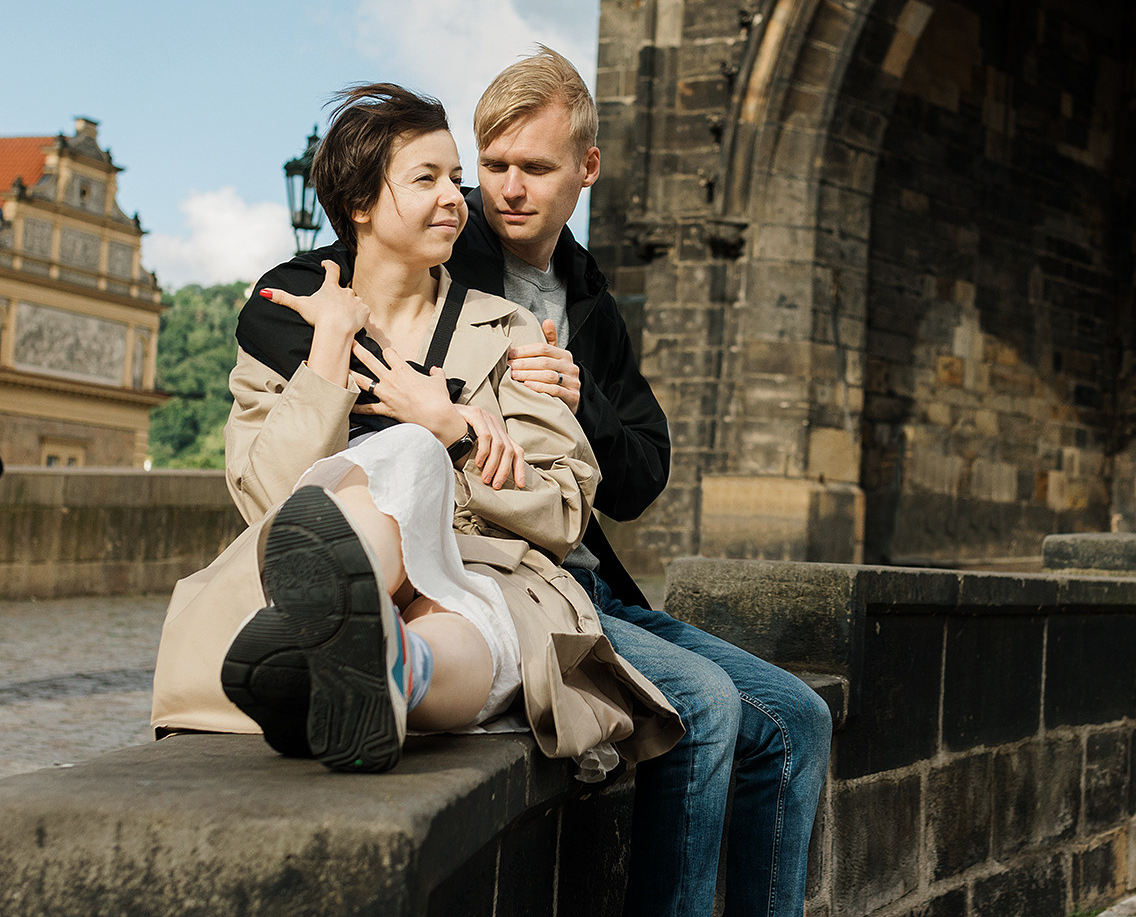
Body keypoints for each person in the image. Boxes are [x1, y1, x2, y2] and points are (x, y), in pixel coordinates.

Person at [149, 83, 681, 777]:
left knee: (472, 602)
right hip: (316, 564)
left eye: (456, 180)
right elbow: (266, 504)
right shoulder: (295, 330)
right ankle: (367, 642)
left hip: (478, 568)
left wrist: (451, 434)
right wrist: (326, 362)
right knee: (398, 463)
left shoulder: (513, 328)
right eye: (426, 179)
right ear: (362, 205)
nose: (457, 199)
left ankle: (368, 662)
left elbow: (564, 511)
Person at [450, 47, 831, 917]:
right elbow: (287, 300)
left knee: (798, 719)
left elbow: (642, 474)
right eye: (494, 165)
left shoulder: (585, 293)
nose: (508, 188)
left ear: (587, 167)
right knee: (702, 708)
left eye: (534, 168)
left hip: (595, 586)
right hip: (507, 579)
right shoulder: (444, 250)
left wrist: (583, 406)